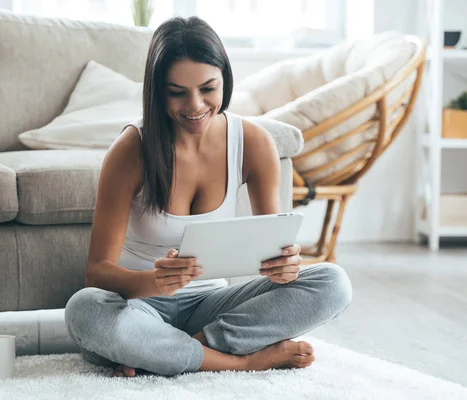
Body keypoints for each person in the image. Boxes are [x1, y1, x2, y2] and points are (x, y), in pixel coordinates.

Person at [64, 16, 352, 378]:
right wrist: (157, 282)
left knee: (333, 282)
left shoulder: (253, 142)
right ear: (157, 90)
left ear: (225, 80)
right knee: (85, 310)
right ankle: (241, 360)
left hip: (214, 304)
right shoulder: (131, 150)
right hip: (139, 307)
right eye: (177, 92)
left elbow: (275, 250)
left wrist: (286, 268)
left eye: (208, 88)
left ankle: (169, 352)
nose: (195, 105)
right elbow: (97, 273)